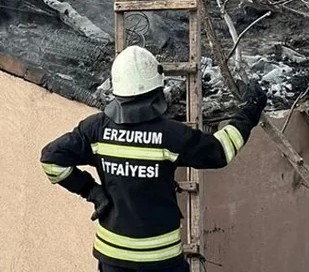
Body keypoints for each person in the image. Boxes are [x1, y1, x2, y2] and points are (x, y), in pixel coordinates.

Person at [41, 45, 267, 272]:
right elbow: (221, 150)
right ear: (156, 88)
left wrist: (92, 192)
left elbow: (51, 160)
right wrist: (249, 112)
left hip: (112, 256)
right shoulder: (170, 134)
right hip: (161, 259)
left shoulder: (95, 129)